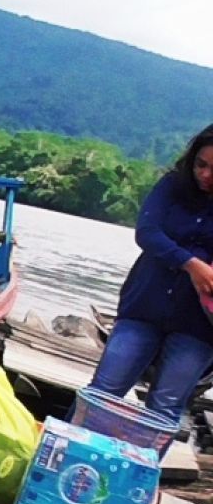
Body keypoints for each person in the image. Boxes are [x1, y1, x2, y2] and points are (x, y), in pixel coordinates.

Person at [86, 124, 213, 425]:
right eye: (201, 165)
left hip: (199, 323)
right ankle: (66, 464)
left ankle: (138, 472)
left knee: (165, 408)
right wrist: (191, 263)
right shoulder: (172, 185)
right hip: (145, 305)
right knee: (103, 391)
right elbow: (147, 232)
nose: (206, 175)